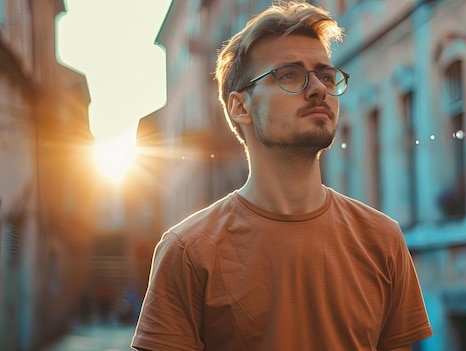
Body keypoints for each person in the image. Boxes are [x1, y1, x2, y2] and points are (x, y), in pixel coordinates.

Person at [131, 1, 433, 350]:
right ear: (240, 107)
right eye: (289, 74)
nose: (319, 88)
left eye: (326, 75)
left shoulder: (383, 239)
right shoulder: (188, 250)